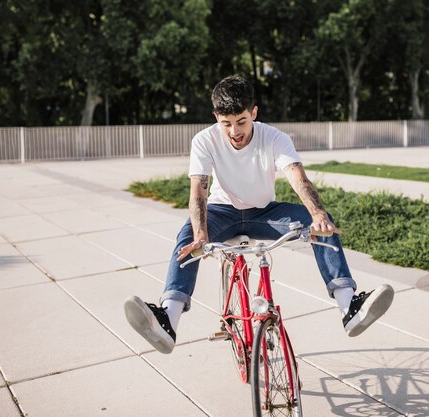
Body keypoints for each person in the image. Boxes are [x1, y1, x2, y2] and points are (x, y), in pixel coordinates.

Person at [125, 75, 393, 354]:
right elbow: (199, 191)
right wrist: (201, 234)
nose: (234, 131)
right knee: (188, 237)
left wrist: (317, 213)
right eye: (225, 124)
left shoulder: (274, 138)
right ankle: (168, 319)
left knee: (320, 225)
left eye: (241, 121)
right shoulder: (204, 140)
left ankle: (349, 307)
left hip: (264, 213)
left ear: (254, 112)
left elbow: (298, 178)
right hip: (222, 211)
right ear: (216, 117)